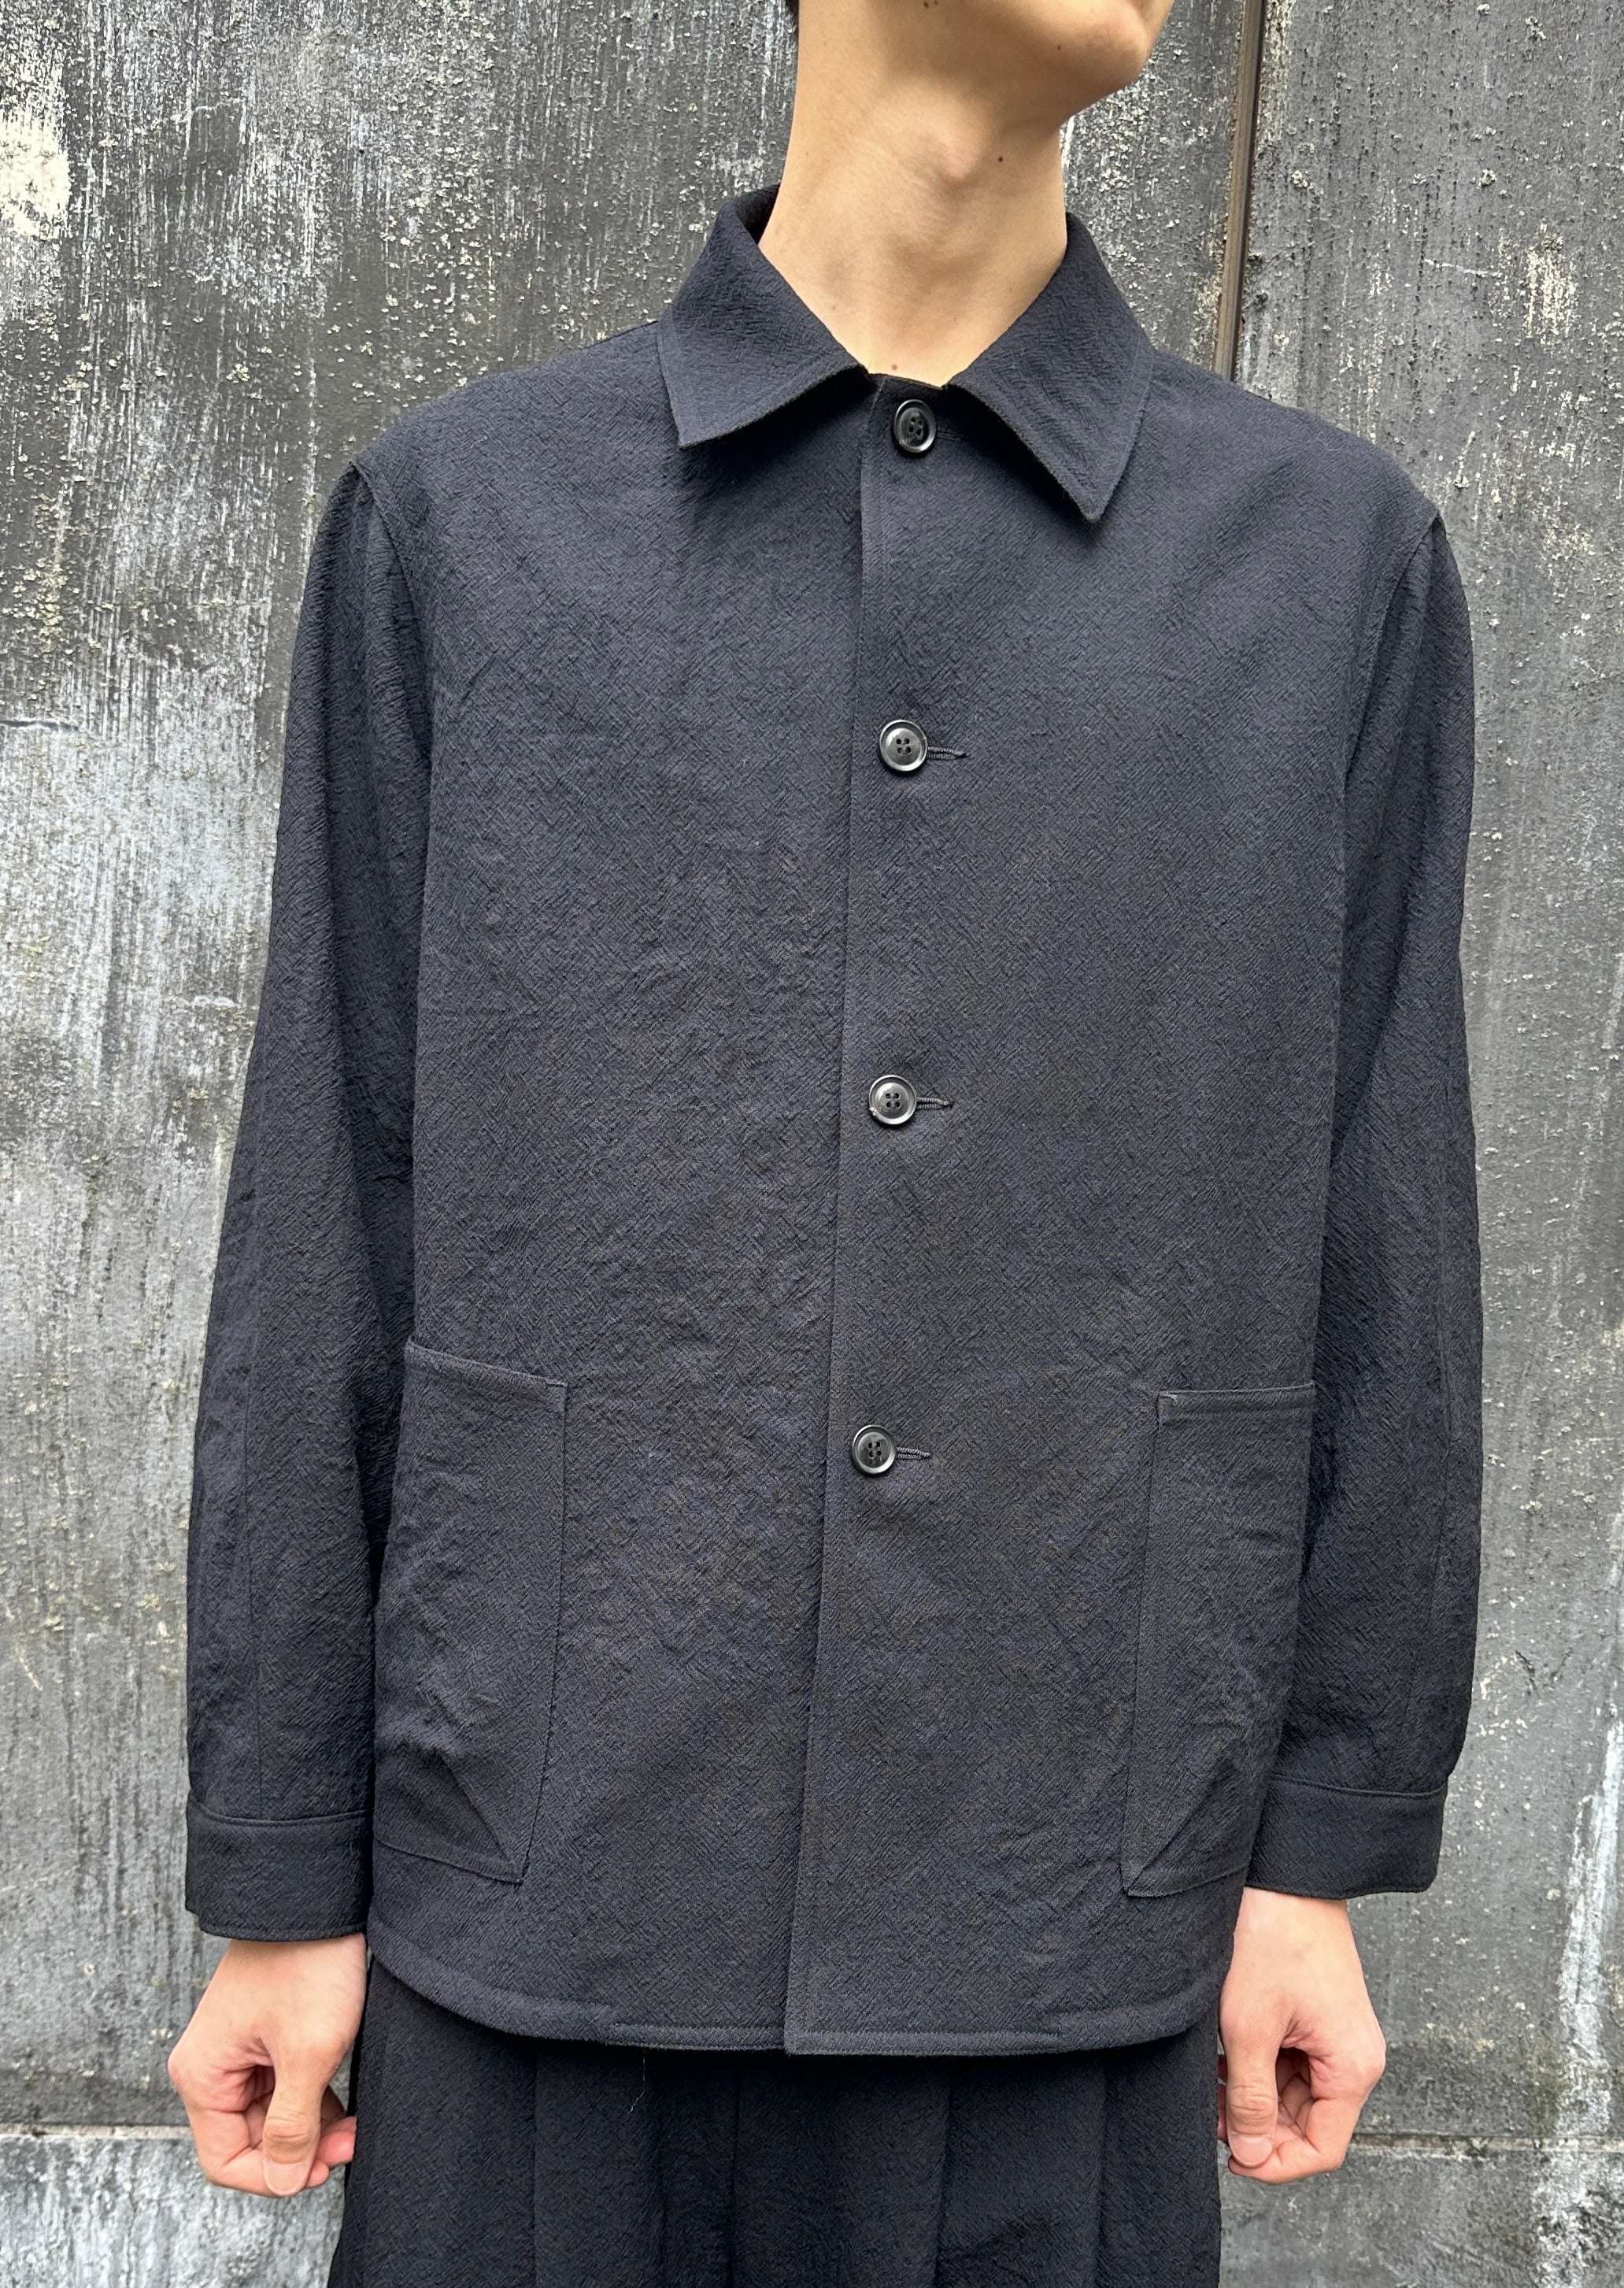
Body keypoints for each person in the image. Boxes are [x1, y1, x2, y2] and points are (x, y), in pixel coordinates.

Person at [166, 0, 1483, 2279]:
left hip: (1072, 1915)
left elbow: (1388, 1228)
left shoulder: (1322, 563)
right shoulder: (466, 520)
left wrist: (1318, 1847)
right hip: (533, 1904)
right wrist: (281, 1875)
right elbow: (327, 1220)